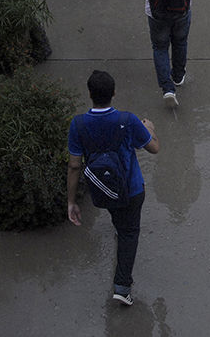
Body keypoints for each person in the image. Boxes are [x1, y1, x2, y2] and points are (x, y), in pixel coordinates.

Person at [67, 70, 160, 306]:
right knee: (130, 234)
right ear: (114, 93)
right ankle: (122, 286)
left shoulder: (78, 125)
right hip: (131, 190)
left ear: (90, 94)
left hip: (102, 191)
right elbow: (154, 148)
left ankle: (120, 226)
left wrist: (71, 201)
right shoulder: (128, 121)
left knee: (118, 216)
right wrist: (149, 128)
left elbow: (74, 166)